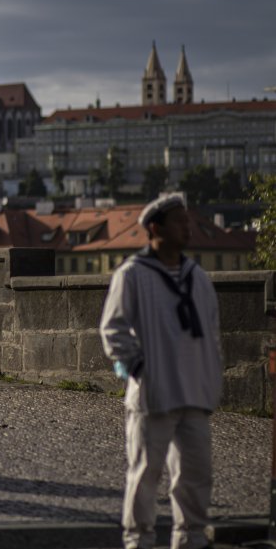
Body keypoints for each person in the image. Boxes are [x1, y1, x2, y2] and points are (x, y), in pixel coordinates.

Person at [99, 194, 222, 549]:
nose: (188, 227)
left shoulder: (198, 276)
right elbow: (113, 329)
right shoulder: (132, 275)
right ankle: (139, 540)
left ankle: (191, 538)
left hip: (195, 391)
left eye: (188, 221)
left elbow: (212, 332)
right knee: (145, 474)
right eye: (180, 221)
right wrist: (139, 369)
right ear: (156, 228)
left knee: (195, 473)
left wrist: (212, 380)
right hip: (154, 392)